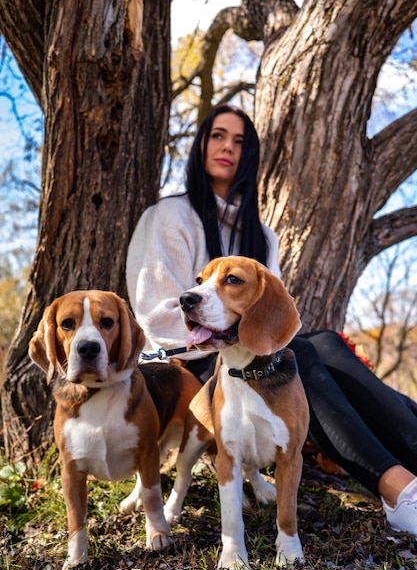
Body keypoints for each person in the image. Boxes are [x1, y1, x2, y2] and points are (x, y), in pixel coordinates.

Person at [126, 103, 417, 537]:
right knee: (300, 351)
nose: (228, 147)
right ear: (201, 144)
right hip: (193, 355)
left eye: (240, 141)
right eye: (218, 135)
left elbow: (269, 314)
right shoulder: (168, 217)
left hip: (255, 349)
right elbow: (157, 316)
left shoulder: (261, 236)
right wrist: (229, 334)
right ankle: (397, 488)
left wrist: (254, 336)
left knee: (328, 344)